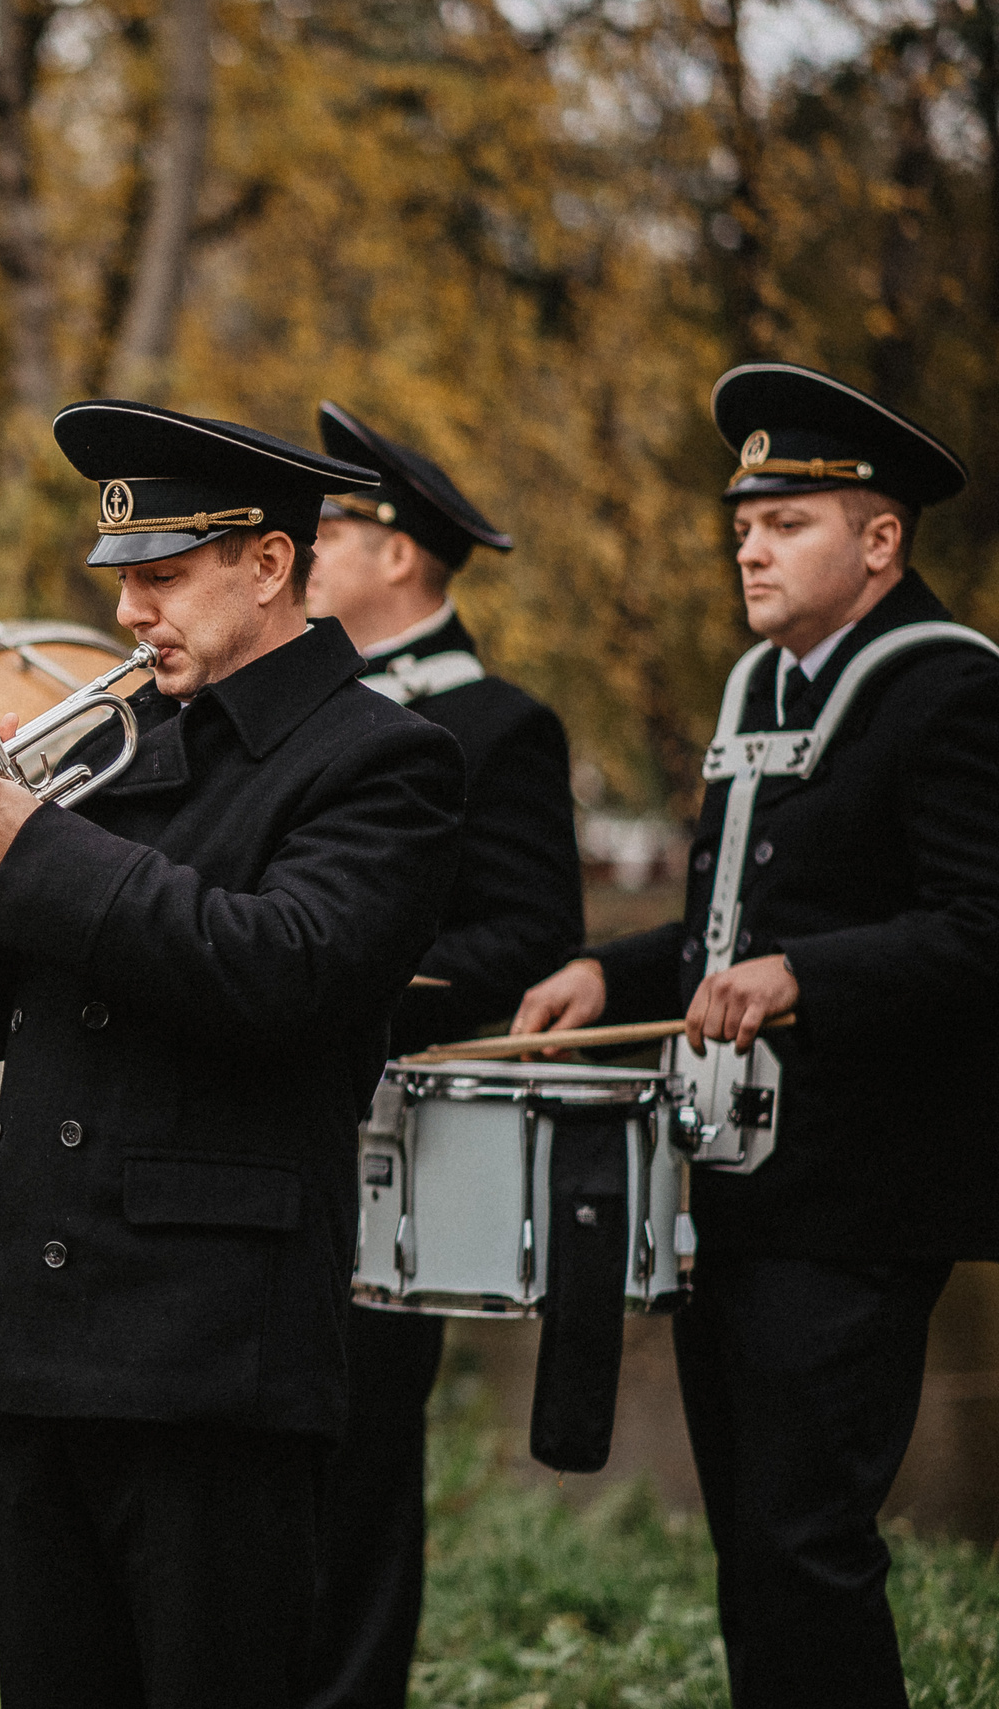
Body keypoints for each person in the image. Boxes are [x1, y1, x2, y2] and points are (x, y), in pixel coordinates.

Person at [0, 399, 465, 1708]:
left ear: (268, 564)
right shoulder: (109, 745)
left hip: (214, 1349)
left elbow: (287, 972)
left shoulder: (385, 759)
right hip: (43, 1323)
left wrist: (32, 852)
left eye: (163, 576)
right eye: (123, 581)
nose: (133, 610)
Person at [513, 362, 999, 1709]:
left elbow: (980, 930)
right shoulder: (762, 692)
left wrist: (805, 976)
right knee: (752, 1549)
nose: (750, 545)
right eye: (744, 524)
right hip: (736, 1191)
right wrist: (610, 978)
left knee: (804, 1546)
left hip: (858, 1200)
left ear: (880, 540)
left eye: (786, 522)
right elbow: (723, 936)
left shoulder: (948, 692)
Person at [296, 403, 584, 1709]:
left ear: (402, 554)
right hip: (266, 1128)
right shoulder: (298, 707)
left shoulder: (497, 723)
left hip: (389, 1136)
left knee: (358, 1460)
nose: (308, 548)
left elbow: (532, 936)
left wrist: (335, 965)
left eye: (334, 527)